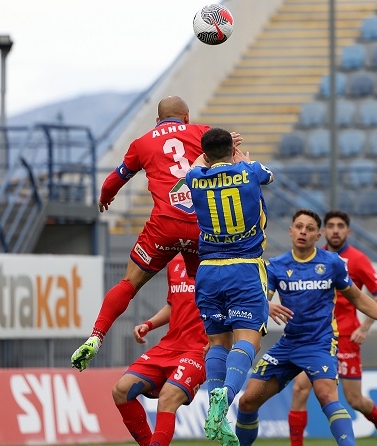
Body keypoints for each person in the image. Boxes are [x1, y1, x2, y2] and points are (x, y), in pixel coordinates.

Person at [71, 96, 240, 371]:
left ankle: (96, 336)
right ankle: (218, 350)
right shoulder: (202, 132)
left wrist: (105, 197)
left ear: (157, 120)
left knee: (129, 283)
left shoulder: (142, 143)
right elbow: (230, 163)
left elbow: (114, 179)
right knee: (208, 286)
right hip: (201, 226)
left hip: (164, 226)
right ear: (186, 117)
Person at [234, 209, 377, 446]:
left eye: (309, 229)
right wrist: (265, 304)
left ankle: (370, 430)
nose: (303, 232)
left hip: (320, 343)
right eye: (299, 227)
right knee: (247, 402)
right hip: (289, 345)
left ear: (317, 236)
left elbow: (357, 297)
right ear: (290, 231)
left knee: (330, 396)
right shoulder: (276, 266)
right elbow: (261, 299)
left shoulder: (332, 263)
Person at [185, 127, 274, 446]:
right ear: (231, 151)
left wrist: (210, 154)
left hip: (208, 270)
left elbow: (195, 165)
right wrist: (240, 159)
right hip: (244, 267)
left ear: (207, 155)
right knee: (248, 339)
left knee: (217, 342)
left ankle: (216, 410)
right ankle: (227, 393)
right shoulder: (250, 171)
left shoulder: (195, 177)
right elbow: (269, 176)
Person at [288, 210, 377, 446]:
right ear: (323, 232)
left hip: (346, 336)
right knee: (299, 388)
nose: (336, 230)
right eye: (331, 226)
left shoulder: (358, 259)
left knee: (354, 399)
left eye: (340, 226)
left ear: (348, 231)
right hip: (316, 337)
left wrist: (364, 327)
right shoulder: (313, 257)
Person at [111, 254, 207, 446]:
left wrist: (219, 340)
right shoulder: (175, 262)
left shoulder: (214, 260)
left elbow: (230, 306)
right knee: (120, 390)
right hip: (168, 347)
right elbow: (173, 305)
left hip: (197, 350)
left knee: (167, 398)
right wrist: (149, 324)